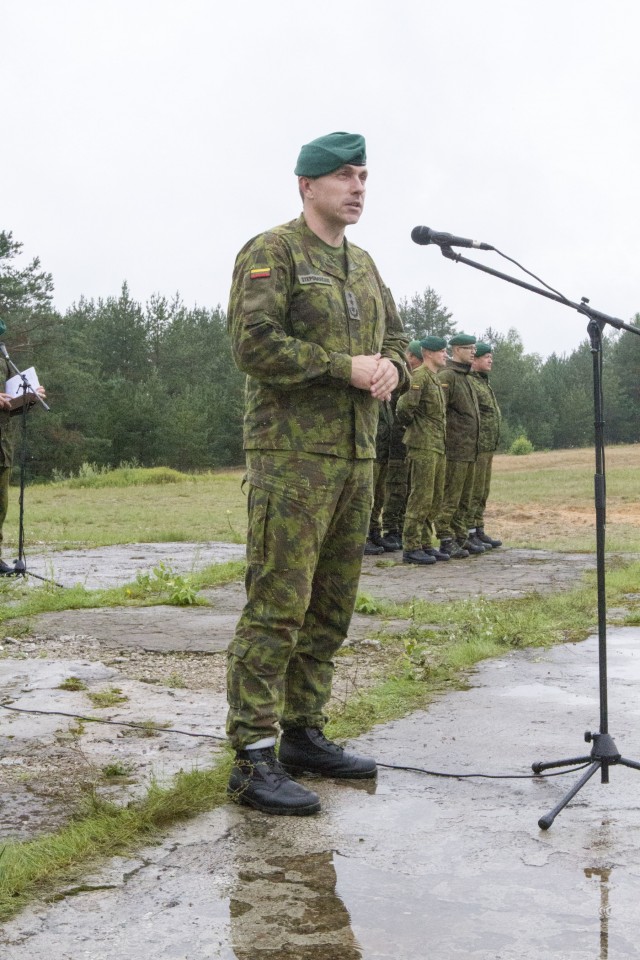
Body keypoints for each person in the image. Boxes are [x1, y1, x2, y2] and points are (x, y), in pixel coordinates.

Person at [225, 131, 408, 816]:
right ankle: (250, 756)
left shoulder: (363, 266)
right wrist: (344, 367)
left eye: (363, 176)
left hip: (356, 458)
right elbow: (253, 344)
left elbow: (393, 335)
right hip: (292, 461)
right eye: (342, 177)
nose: (357, 188)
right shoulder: (273, 252)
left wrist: (393, 365)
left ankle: (302, 733)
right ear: (307, 186)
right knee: (278, 606)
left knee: (330, 608)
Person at [395, 336, 449, 565]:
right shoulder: (419, 376)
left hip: (436, 444)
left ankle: (426, 543)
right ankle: (411, 545)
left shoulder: (434, 379)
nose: (445, 355)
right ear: (428, 353)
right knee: (421, 496)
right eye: (441, 352)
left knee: (434, 498)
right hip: (422, 444)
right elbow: (404, 407)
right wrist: (415, 428)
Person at [434, 333, 484, 558]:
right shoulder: (448, 376)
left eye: (474, 348)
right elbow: (439, 411)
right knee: (451, 497)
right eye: (468, 348)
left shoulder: (466, 377)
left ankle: (460, 536)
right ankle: (445, 538)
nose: (473, 351)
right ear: (455, 350)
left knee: (465, 498)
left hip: (469, 448)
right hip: (454, 448)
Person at [0, 333, 46, 575]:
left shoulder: (4, 361)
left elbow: (7, 407)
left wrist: (29, 399)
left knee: (1, 505)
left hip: (2, 448)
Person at [468, 342, 502, 549]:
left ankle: (478, 528)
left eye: (491, 356)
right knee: (473, 490)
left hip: (488, 445)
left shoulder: (483, 382)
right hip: (476, 446)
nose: (490, 360)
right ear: (475, 359)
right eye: (486, 356)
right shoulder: (471, 382)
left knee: (483, 490)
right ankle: (469, 531)